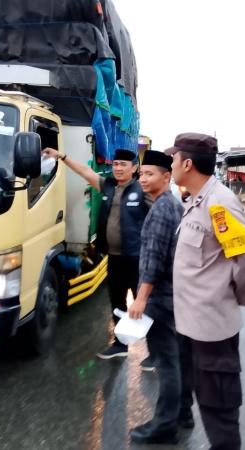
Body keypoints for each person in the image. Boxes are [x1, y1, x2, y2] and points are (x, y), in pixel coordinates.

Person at [167, 132, 245, 450]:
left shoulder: (219, 204)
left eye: (174, 158)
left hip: (212, 328)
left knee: (218, 406)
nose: (171, 163)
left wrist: (237, 295)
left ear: (188, 163)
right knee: (204, 399)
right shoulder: (196, 201)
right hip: (193, 325)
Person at [42, 146, 151, 360]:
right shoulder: (108, 186)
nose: (118, 168)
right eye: (116, 164)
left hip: (137, 258)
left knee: (146, 304)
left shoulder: (142, 189)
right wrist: (62, 156)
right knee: (117, 301)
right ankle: (120, 344)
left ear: (134, 168)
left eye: (123, 165)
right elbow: (86, 172)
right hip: (114, 258)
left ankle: (156, 352)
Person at [127, 150, 183, 445]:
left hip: (160, 299)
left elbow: (154, 258)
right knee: (175, 359)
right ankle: (180, 415)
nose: (143, 179)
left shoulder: (162, 208)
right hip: (172, 296)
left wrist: (140, 298)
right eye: (142, 174)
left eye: (150, 174)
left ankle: (164, 426)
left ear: (166, 176)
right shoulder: (172, 204)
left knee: (166, 362)